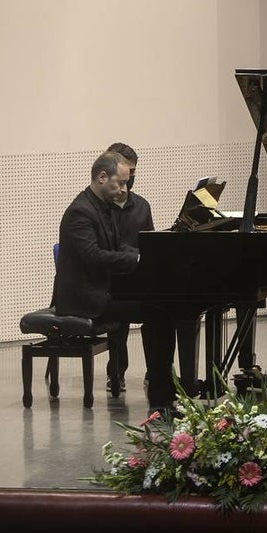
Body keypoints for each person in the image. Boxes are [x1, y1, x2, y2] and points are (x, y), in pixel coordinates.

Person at [53, 151, 177, 413]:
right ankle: (161, 398)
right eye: (120, 183)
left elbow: (117, 246)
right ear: (102, 177)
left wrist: (148, 254)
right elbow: (93, 256)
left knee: (163, 309)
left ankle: (164, 393)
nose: (124, 189)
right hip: (84, 298)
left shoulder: (103, 207)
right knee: (158, 312)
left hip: (101, 290)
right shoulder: (80, 212)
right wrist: (136, 260)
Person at [104, 142, 154, 392]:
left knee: (159, 309)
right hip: (109, 282)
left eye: (134, 172)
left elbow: (150, 244)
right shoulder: (98, 208)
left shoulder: (142, 206)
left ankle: (156, 371)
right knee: (119, 316)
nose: (130, 178)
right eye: (127, 172)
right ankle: (116, 372)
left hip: (137, 278)